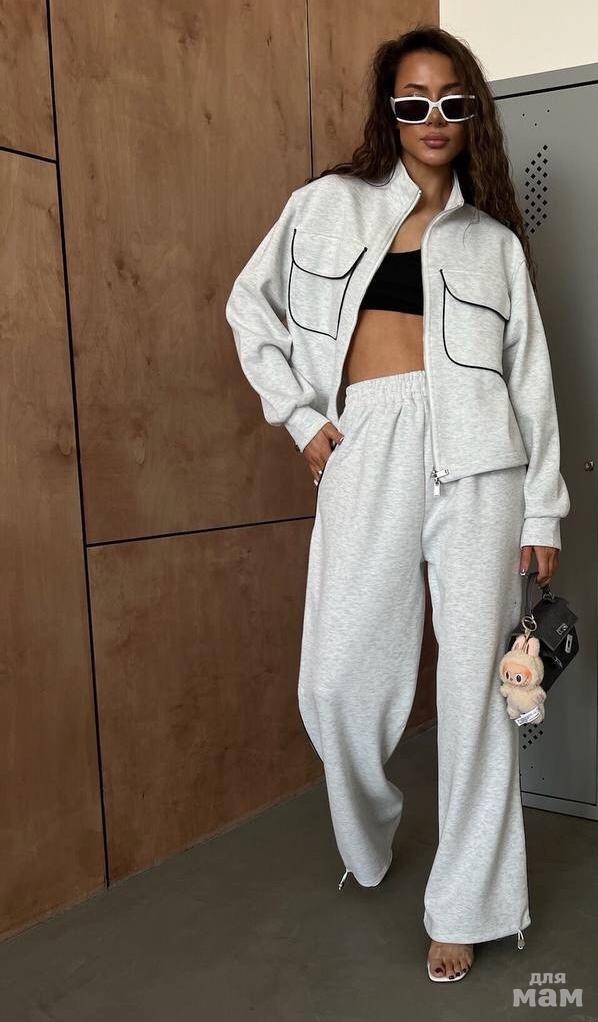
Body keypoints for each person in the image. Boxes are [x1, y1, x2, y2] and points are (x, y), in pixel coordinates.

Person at [225, 26, 570, 983]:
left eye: (452, 102)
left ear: (472, 114)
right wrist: (302, 418)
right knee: (335, 682)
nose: (433, 118)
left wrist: (542, 512)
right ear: (390, 109)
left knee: (476, 693)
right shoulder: (325, 206)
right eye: (414, 101)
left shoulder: (495, 244)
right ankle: (369, 831)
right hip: (366, 441)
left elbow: (531, 382)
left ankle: (466, 904)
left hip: (482, 463)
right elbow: (250, 308)